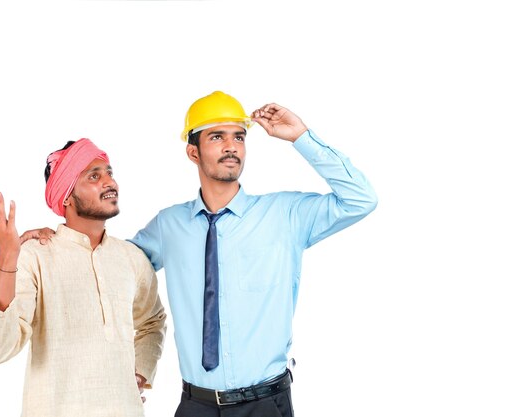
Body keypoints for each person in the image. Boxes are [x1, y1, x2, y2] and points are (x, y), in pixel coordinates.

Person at [28, 91, 378, 416]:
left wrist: (301, 136)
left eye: (238, 136)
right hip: (196, 405)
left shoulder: (286, 215)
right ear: (193, 151)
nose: (231, 147)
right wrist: (57, 238)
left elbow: (361, 199)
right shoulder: (169, 226)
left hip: (266, 405)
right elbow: (111, 262)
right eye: (217, 137)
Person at [0, 138, 166, 417]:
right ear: (66, 196)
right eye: (94, 175)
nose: (109, 182)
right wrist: (7, 254)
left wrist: (140, 372)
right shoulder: (36, 255)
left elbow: (153, 320)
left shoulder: (131, 258)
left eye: (110, 173)